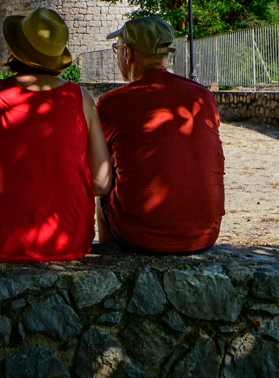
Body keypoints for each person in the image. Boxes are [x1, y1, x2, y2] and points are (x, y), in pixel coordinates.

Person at [0, 7, 112, 262]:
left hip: (2, 239)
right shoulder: (82, 98)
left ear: (15, 51)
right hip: (71, 237)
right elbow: (101, 182)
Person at [96, 15, 225, 254]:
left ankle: (109, 256)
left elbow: (97, 167)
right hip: (204, 236)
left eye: (118, 48)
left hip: (138, 236)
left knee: (106, 176)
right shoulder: (203, 97)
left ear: (128, 53)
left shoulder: (112, 102)